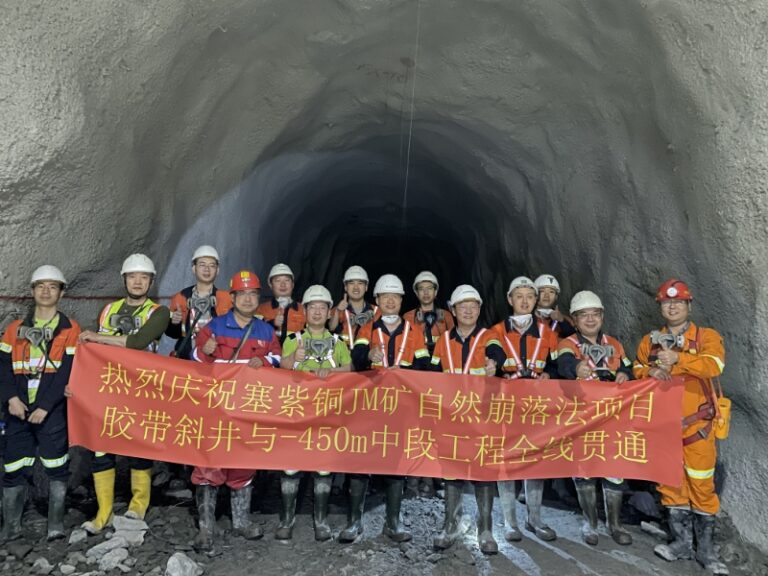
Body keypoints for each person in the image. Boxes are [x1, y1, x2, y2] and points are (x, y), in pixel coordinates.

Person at [634, 279, 728, 575]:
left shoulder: (706, 337)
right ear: (660, 307)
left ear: (689, 305)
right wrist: (649, 371)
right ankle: (681, 543)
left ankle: (706, 550)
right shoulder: (650, 341)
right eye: (666, 302)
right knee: (670, 485)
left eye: (678, 302)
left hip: (697, 427)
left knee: (701, 485)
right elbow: (636, 368)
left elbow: (714, 365)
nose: (672, 306)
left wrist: (679, 358)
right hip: (663, 426)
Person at [78, 254, 170, 534]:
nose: (138, 282)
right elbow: (91, 353)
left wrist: (98, 337)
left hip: (141, 389)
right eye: (132, 276)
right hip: (109, 388)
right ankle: (103, 513)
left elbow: (139, 341)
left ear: (151, 281)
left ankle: (137, 506)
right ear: (124, 280)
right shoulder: (108, 310)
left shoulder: (159, 312)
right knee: (101, 447)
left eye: (144, 277)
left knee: (138, 447)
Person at [191, 270, 281, 551]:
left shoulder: (266, 330)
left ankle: (240, 522)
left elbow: (278, 359)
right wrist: (204, 350)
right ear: (232, 297)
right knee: (209, 463)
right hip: (216, 408)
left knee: (244, 461)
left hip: (249, 409)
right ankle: (206, 529)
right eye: (242, 294)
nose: (248, 299)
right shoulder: (215, 327)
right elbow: (192, 361)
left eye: (253, 294)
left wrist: (265, 361)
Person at [344, 274, 429, 543]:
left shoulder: (414, 331)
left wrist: (406, 372)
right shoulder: (367, 328)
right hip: (370, 405)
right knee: (360, 460)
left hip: (400, 406)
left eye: (395, 297)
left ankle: (393, 522)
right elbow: (356, 358)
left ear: (402, 300)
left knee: (395, 460)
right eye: (385, 297)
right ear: (377, 300)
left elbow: (425, 365)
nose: (390, 301)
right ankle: (354, 522)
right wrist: (368, 355)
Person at [0, 266, 80, 541]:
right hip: (17, 409)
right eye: (41, 286)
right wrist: (11, 399)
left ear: (61, 293)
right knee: (13, 465)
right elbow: (3, 367)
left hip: (52, 410)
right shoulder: (14, 329)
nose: (46, 291)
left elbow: (68, 371)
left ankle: (55, 524)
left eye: (52, 286)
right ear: (32, 290)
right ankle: (11, 527)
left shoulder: (69, 329)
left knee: (57, 465)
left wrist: (45, 406)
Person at [429, 285, 506, 555]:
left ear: (479, 309)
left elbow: (497, 353)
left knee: (484, 470)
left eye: (473, 306)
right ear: (453, 310)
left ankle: (485, 529)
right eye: (463, 306)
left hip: (482, 415)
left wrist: (494, 364)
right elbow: (431, 372)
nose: (469, 310)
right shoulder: (443, 340)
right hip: (452, 415)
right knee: (451, 469)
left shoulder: (489, 336)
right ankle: (451, 524)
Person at [557, 290, 634, 546]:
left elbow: (627, 366)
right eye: (583, 315)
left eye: (595, 314)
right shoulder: (568, 344)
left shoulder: (615, 344)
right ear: (574, 320)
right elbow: (563, 365)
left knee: (615, 470)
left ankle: (615, 524)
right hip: (582, 418)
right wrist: (576, 368)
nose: (590, 319)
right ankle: (589, 523)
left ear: (602, 316)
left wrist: (625, 374)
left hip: (612, 418)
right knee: (584, 470)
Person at [278, 285, 352, 542]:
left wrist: (330, 372)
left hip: (326, 412)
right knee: (290, 466)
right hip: (297, 412)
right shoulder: (292, 339)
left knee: (323, 466)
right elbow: (281, 368)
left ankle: (320, 521)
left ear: (329, 311)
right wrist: (294, 358)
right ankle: (287, 520)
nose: (318, 312)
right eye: (313, 307)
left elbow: (349, 368)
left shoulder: (338, 342)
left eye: (322, 307)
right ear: (305, 311)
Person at [491, 276, 559, 542]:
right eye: (519, 296)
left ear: (536, 300)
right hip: (507, 405)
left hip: (536, 405)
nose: (524, 301)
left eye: (529, 296)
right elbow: (490, 358)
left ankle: (535, 518)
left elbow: (556, 363)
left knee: (535, 460)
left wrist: (549, 374)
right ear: (510, 299)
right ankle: (510, 522)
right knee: (507, 461)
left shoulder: (547, 332)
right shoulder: (496, 331)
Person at [165, 245, 232, 359]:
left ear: (217, 270)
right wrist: (174, 323)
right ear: (193, 268)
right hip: (186, 358)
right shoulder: (180, 297)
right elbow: (172, 334)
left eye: (212, 265)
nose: (207, 269)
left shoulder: (227, 299)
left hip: (215, 359)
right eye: (202, 265)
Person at [403, 271, 454, 357]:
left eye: (429, 288)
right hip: (417, 361)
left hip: (441, 360)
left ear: (435, 291)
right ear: (416, 293)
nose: (426, 292)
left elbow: (453, 343)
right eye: (421, 289)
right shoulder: (408, 317)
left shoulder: (446, 316)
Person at [256, 263, 305, 347]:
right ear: (270, 285)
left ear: (292, 284)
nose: (283, 285)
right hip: (269, 353)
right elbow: (253, 332)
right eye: (278, 281)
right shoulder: (260, 310)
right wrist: (272, 323)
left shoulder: (304, 310)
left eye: (287, 280)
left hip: (297, 353)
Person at [328, 265, 378, 347]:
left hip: (368, 354)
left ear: (366, 287)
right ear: (345, 287)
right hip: (343, 354)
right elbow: (331, 328)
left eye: (360, 283)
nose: (356, 287)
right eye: (351, 283)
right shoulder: (337, 310)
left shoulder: (376, 311)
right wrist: (338, 311)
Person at [534, 274, 575, 338]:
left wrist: (562, 322)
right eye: (542, 291)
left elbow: (574, 338)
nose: (546, 296)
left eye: (551, 292)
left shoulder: (563, 320)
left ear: (556, 297)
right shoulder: (525, 317)